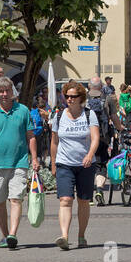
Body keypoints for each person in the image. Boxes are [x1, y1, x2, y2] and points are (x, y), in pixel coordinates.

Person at [0, 77, 38, 250]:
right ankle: (4, 235)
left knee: (16, 198)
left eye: (7, 91)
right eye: (0, 91)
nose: (4, 94)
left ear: (12, 92)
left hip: (19, 162)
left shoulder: (23, 110)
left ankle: (12, 234)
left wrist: (34, 158)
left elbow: (30, 136)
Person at [51, 80, 100, 250]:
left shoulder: (89, 114)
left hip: (86, 165)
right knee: (65, 199)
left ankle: (81, 235)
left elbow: (95, 138)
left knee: (84, 200)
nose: (70, 99)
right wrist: (53, 163)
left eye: (74, 96)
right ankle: (64, 236)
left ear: (81, 98)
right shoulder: (58, 115)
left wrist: (90, 155)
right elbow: (54, 142)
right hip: (64, 163)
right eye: (67, 96)